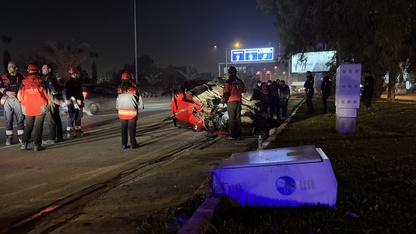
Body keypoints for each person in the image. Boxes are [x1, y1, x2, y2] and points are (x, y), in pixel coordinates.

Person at [18, 64, 63, 151]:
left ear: (28, 71)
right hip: (40, 108)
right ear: (37, 71)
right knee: (38, 126)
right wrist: (60, 103)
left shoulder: (23, 82)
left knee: (28, 125)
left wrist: (24, 102)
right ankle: (37, 145)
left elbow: (19, 96)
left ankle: (24, 144)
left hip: (28, 108)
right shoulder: (41, 82)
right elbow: (49, 96)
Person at [116, 71, 143, 149]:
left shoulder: (119, 89)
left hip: (121, 113)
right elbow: (139, 100)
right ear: (130, 79)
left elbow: (117, 100)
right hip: (132, 113)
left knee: (123, 129)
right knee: (132, 130)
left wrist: (118, 108)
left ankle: (124, 144)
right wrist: (140, 107)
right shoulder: (134, 89)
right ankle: (133, 144)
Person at [0, 61, 25, 145]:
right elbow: (0, 88)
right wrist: (6, 92)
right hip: (7, 99)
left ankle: (21, 137)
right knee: (8, 119)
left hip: (18, 99)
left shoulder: (22, 76)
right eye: (8, 67)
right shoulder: (3, 77)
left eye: (11, 67)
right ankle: (9, 138)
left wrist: (21, 95)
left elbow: (26, 87)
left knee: (20, 119)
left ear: (16, 68)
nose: (9, 68)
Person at [220, 66, 247, 140]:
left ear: (229, 73)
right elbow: (244, 90)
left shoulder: (228, 82)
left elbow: (226, 93)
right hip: (238, 101)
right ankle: (239, 135)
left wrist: (222, 102)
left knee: (232, 119)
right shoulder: (240, 81)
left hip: (231, 101)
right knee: (238, 118)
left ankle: (233, 135)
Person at [41, 64, 63, 144]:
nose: (42, 69)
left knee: (51, 120)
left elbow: (53, 90)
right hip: (55, 101)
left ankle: (51, 138)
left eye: (44, 68)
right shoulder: (52, 77)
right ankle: (59, 136)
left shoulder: (48, 77)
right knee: (57, 119)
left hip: (51, 101)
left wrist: (52, 98)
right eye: (42, 68)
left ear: (49, 69)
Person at [63, 67, 84, 138]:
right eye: (76, 73)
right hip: (72, 103)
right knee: (72, 116)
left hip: (79, 102)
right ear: (73, 73)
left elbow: (80, 92)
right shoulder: (68, 83)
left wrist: (81, 100)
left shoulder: (77, 81)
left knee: (79, 117)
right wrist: (74, 101)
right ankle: (69, 132)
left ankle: (78, 131)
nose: (78, 74)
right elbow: (69, 94)